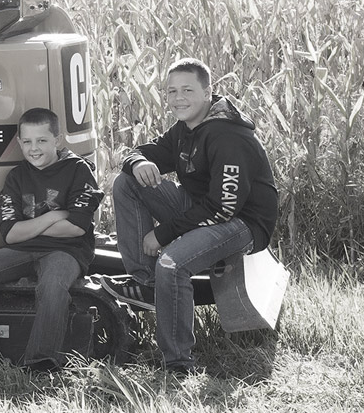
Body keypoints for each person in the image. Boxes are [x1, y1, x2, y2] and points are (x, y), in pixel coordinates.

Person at [99, 57, 278, 375]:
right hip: (204, 207)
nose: (178, 98)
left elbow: (223, 207)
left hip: (243, 222)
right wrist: (138, 162)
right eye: (171, 91)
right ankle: (147, 282)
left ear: (208, 92)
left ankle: (178, 363)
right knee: (127, 182)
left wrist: (164, 234)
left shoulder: (227, 137)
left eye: (187, 90)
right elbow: (140, 152)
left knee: (173, 262)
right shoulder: (185, 129)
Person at [0, 107, 103, 369]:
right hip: (23, 250)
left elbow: (75, 228)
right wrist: (52, 217)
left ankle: (41, 362)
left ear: (57, 140)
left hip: (67, 250)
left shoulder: (78, 170)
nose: (33, 148)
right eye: (27, 141)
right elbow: (11, 234)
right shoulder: (16, 177)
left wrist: (30, 226)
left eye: (41, 140)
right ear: (19, 143)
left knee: (52, 287)